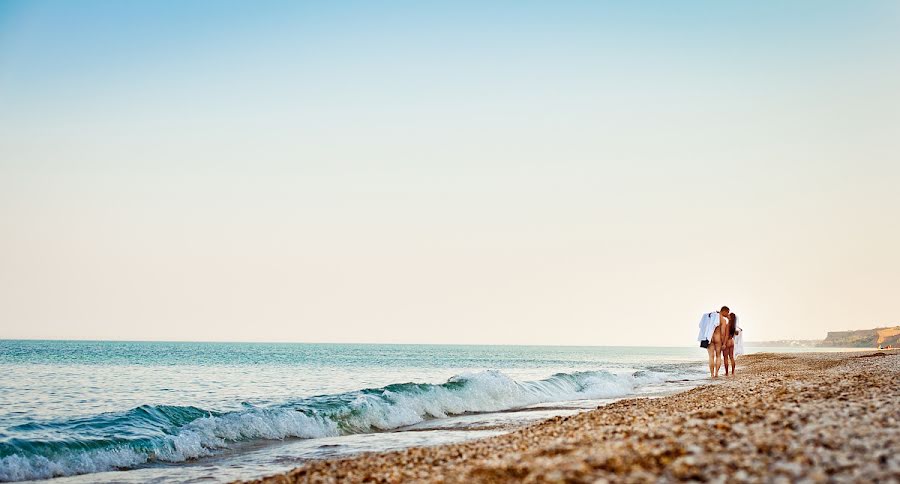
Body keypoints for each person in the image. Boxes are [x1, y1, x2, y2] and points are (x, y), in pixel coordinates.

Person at [698, 306, 729, 377]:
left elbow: (703, 326)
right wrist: (723, 343)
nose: (727, 314)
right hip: (718, 338)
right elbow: (723, 332)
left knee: (711, 357)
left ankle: (712, 374)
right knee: (718, 356)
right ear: (723, 311)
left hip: (710, 338)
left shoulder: (710, 317)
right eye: (727, 312)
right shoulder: (723, 320)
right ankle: (716, 374)